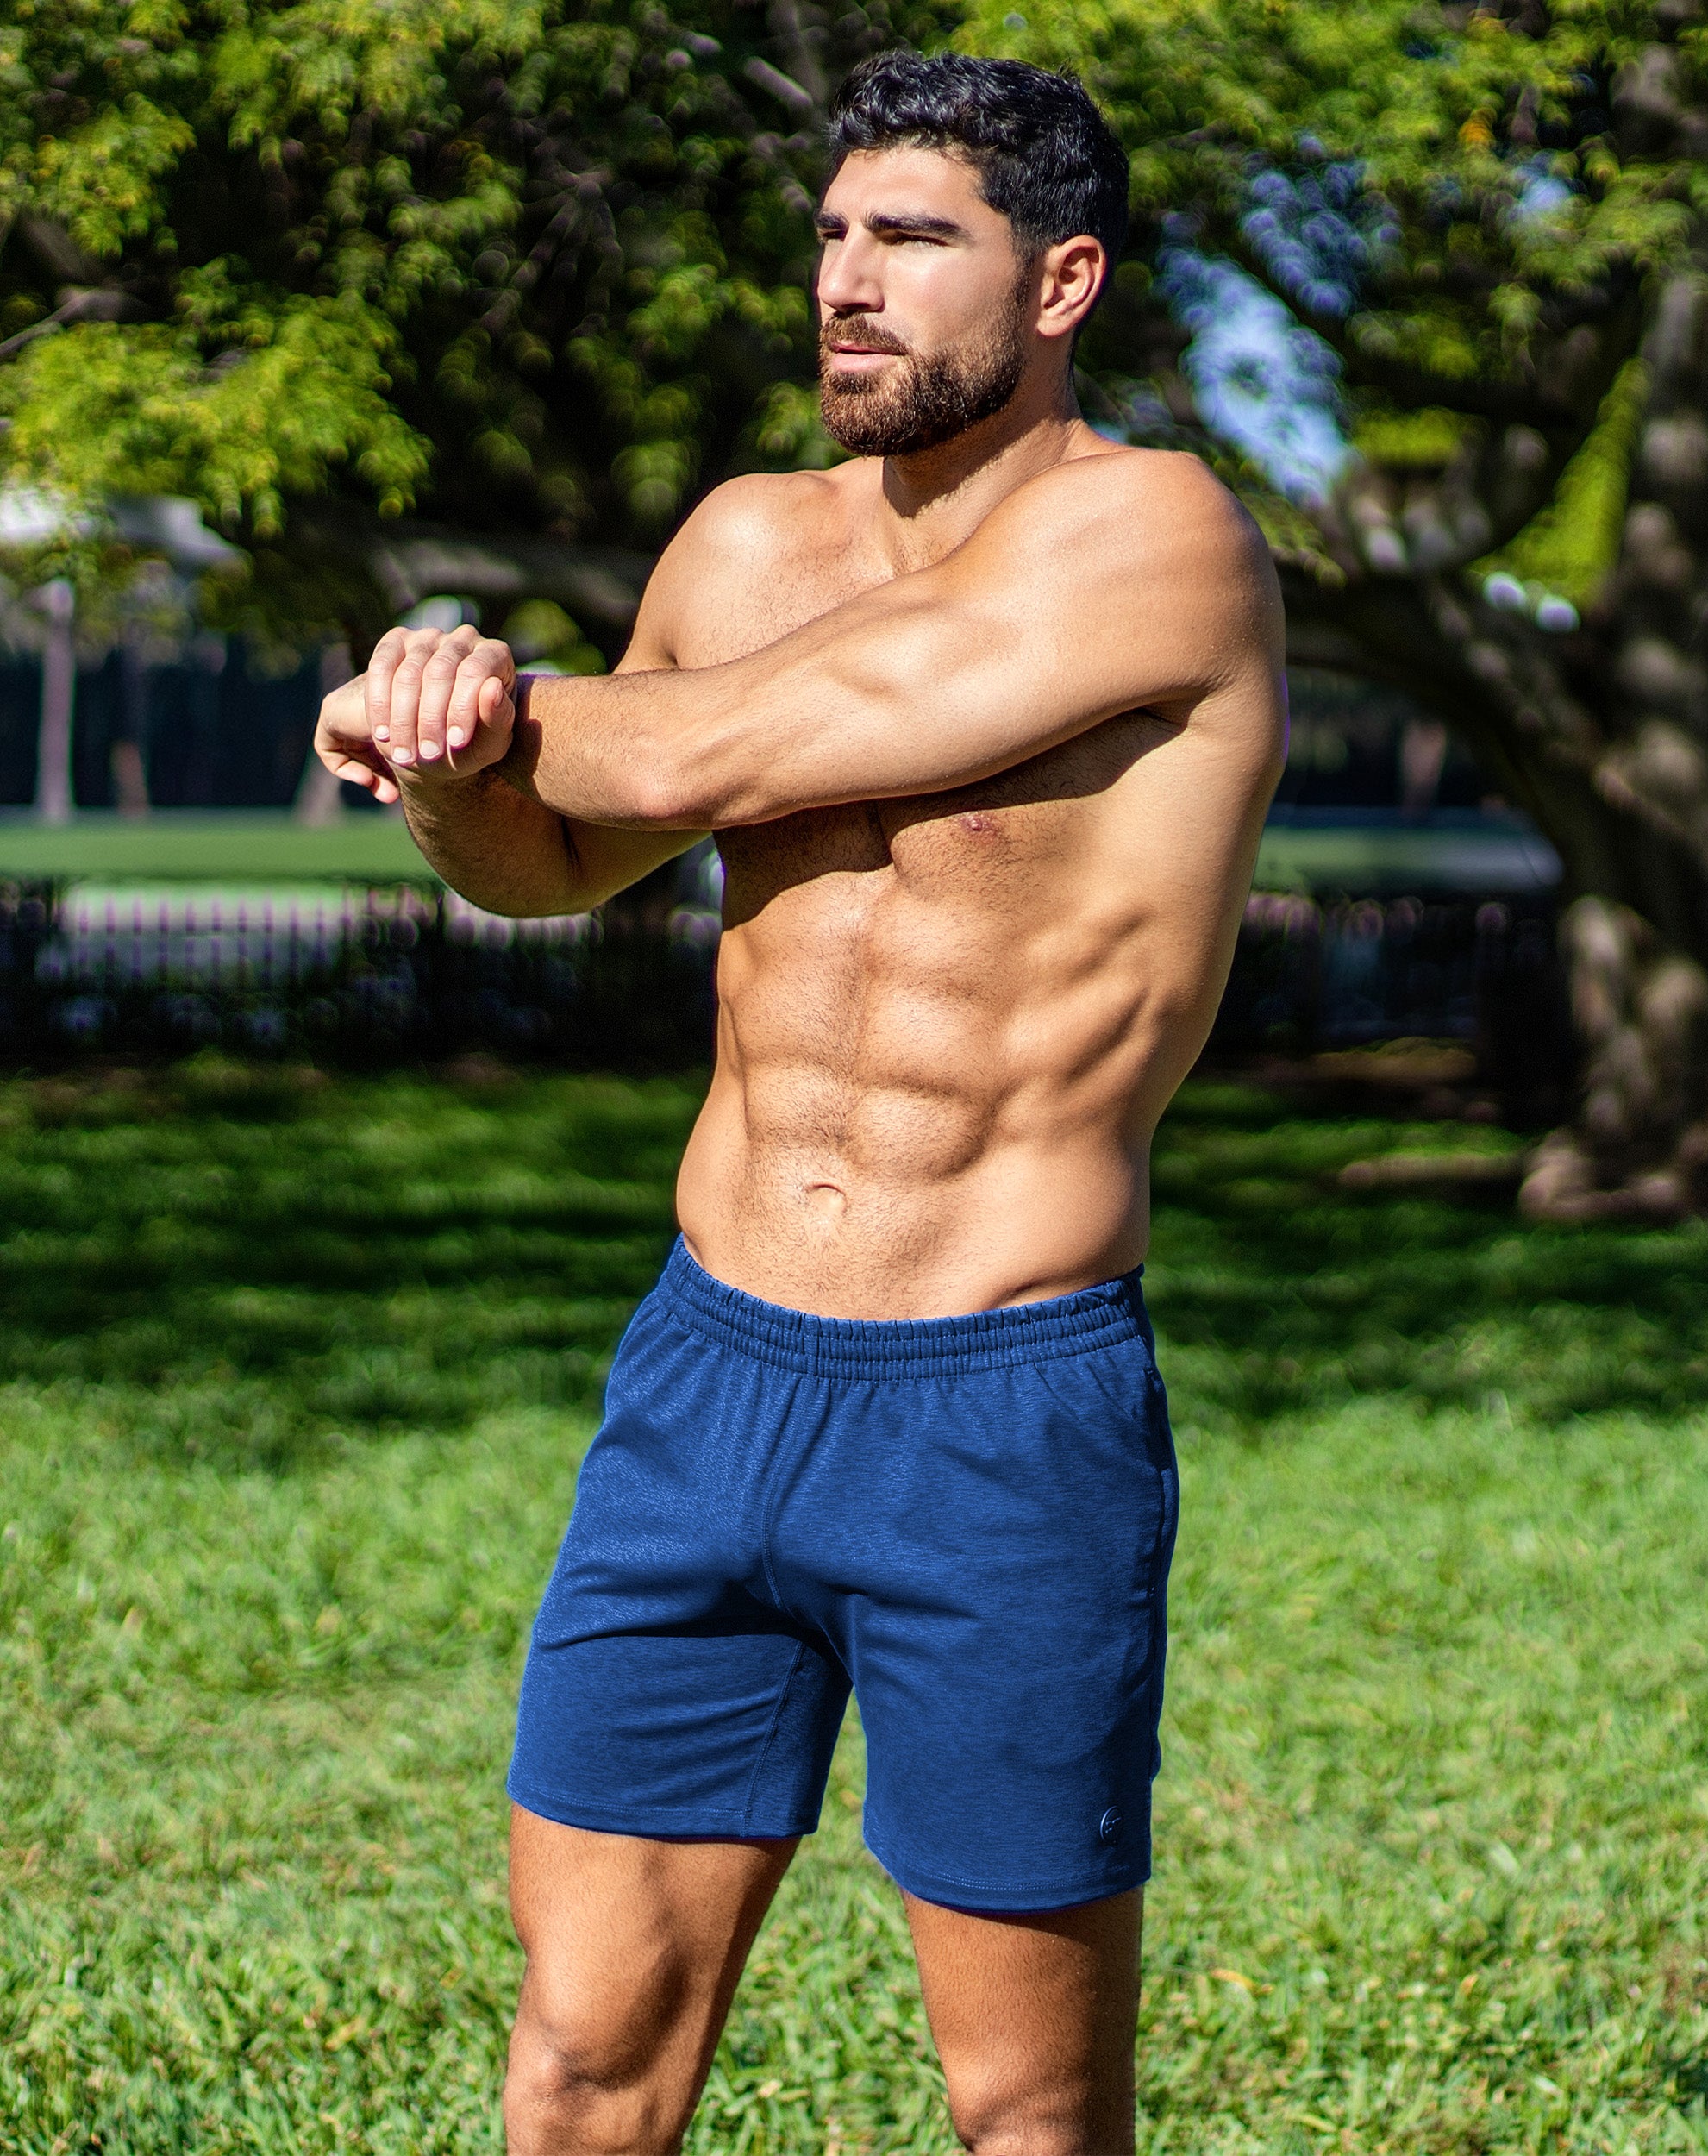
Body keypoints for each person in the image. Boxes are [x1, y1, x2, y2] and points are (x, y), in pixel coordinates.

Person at [316, 49, 1286, 2156]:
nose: (848, 284)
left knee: (1021, 2105)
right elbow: (550, 867)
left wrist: (479, 697)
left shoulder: (1157, 536)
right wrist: (455, 756)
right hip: (705, 1374)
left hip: (997, 1409)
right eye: (832, 237)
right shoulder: (742, 538)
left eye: (913, 238)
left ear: (1061, 281)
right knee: (580, 2064)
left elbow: (730, 751)